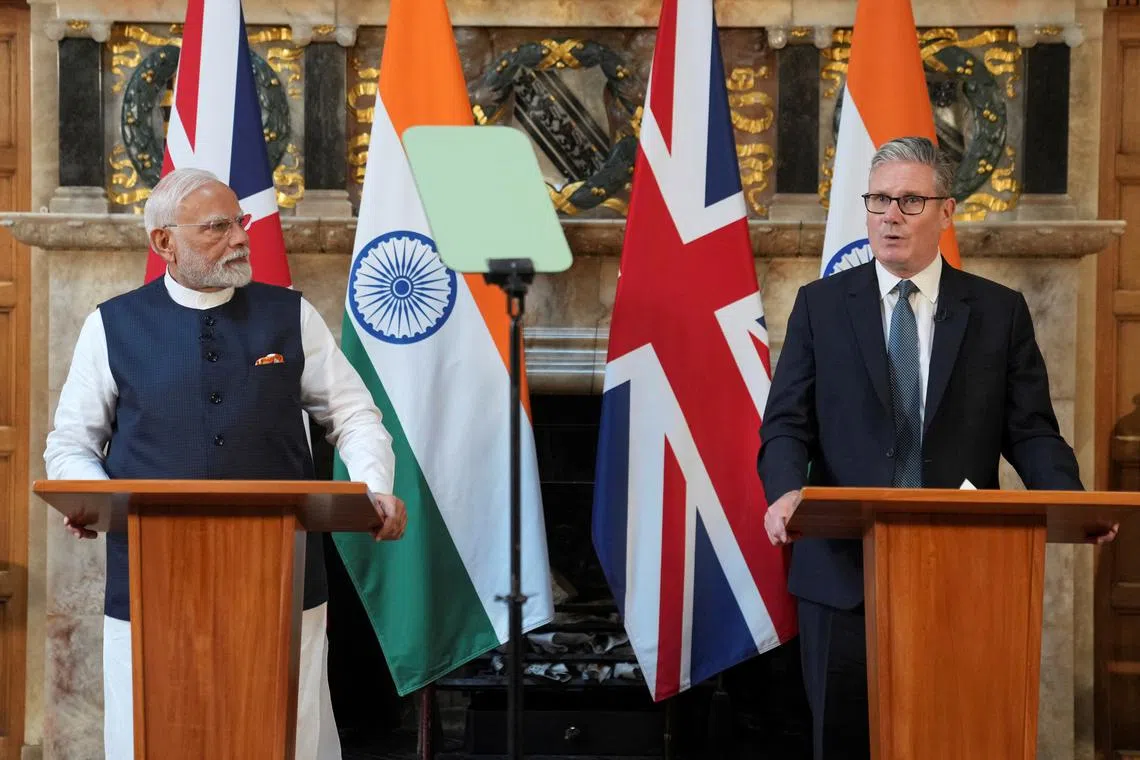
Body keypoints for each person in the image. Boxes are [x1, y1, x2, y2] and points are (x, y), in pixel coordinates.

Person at [757, 136, 1117, 760]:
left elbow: (1030, 430)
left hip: (965, 574)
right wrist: (787, 492)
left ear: (946, 212)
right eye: (878, 201)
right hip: (843, 575)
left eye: (909, 201)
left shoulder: (998, 312)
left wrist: (1072, 501)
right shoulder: (819, 307)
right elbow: (786, 423)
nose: (890, 215)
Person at [44, 167, 407, 760]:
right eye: (218, 227)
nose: (241, 237)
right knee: (152, 731)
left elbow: (355, 416)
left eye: (241, 222)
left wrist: (376, 487)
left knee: (288, 731)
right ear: (164, 242)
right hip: (151, 579)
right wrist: (90, 497)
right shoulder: (111, 325)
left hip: (281, 578)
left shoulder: (291, 316)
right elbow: (71, 442)